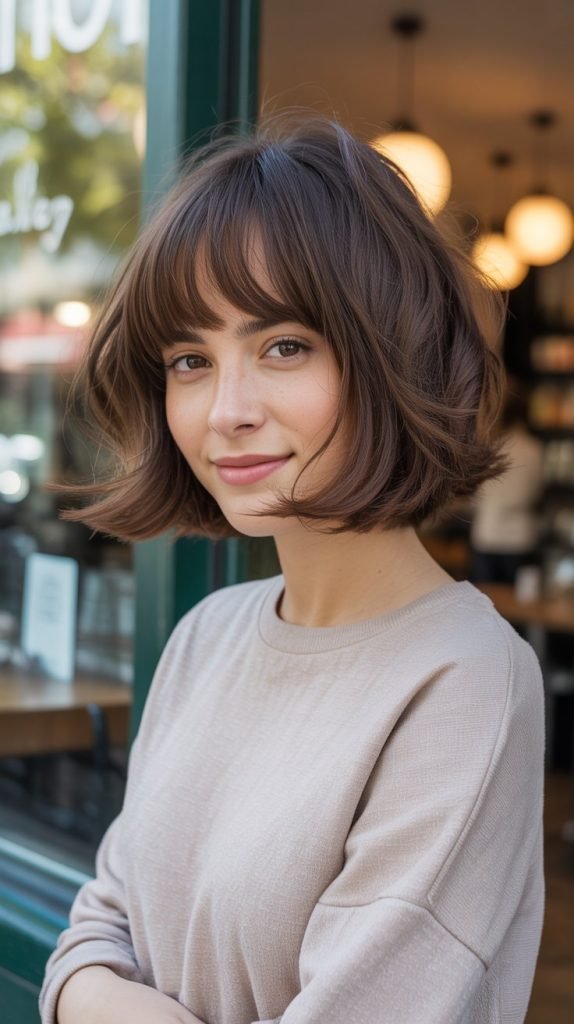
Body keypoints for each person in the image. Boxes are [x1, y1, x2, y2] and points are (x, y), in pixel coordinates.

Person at [40, 117, 545, 1024]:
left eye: (284, 347)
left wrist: (100, 1001)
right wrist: (88, 988)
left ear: (390, 356)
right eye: (191, 360)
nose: (225, 410)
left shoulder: (466, 679)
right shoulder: (208, 636)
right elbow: (91, 930)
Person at [471, 379, 545, 585]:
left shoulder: (490, 447)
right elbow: (535, 493)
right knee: (517, 608)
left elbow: (476, 495)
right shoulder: (533, 449)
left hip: (488, 533)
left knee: (485, 602)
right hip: (518, 537)